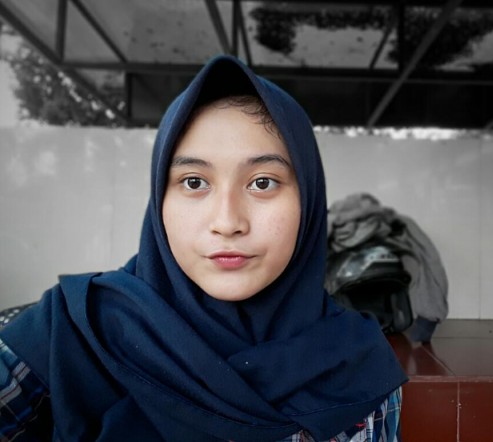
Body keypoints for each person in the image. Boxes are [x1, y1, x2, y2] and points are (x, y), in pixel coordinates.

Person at [0, 55, 407, 441]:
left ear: (309, 200)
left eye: (262, 182)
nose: (227, 222)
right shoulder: (69, 333)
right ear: (160, 199)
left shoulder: (357, 369)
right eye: (194, 182)